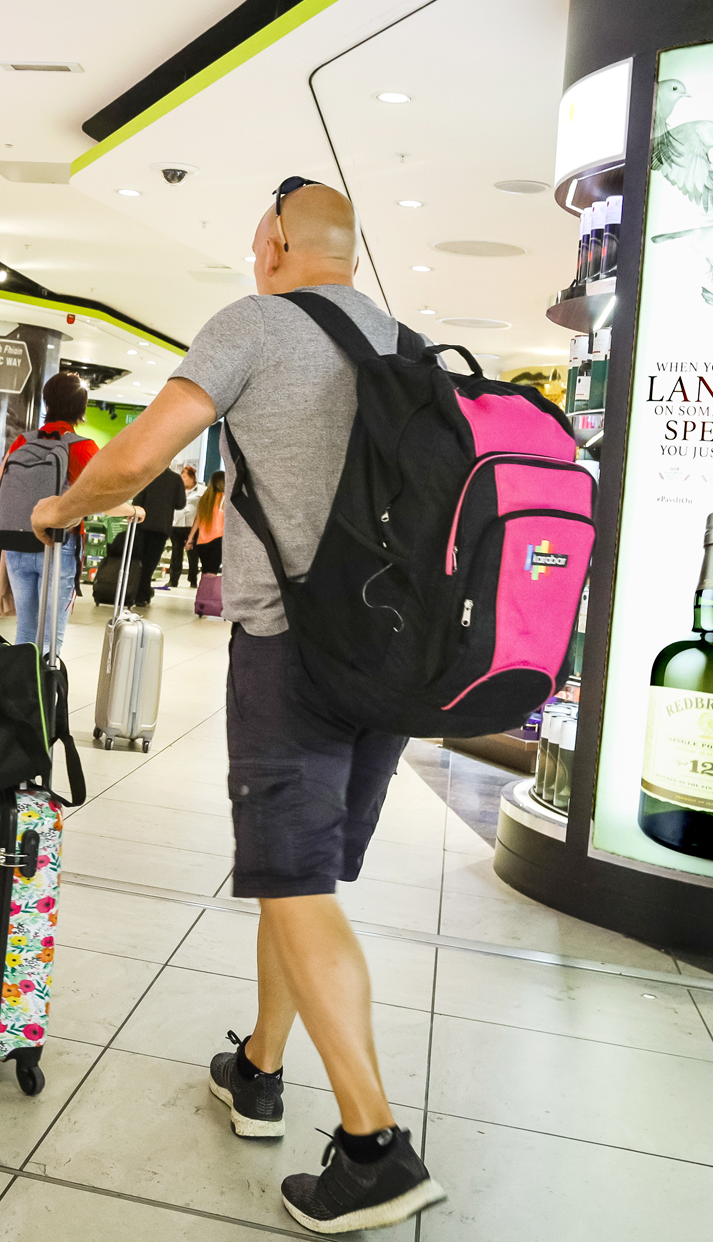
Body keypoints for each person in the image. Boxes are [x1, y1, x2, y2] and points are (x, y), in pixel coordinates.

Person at [30, 178, 445, 1234]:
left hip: (291, 648)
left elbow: (134, 454)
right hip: (396, 660)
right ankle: (257, 1068)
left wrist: (60, 506)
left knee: (297, 883)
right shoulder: (410, 347)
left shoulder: (253, 322)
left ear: (270, 242)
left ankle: (372, 1145)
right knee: (291, 870)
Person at [0, 373, 98, 648]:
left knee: (25, 629)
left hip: (17, 544)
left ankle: (23, 689)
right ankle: (44, 690)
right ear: (81, 409)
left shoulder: (23, 442)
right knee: (51, 634)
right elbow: (101, 497)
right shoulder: (83, 448)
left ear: (46, 405)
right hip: (59, 545)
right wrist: (132, 510)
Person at [127, 462, 187, 599]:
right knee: (151, 561)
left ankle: (136, 591)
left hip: (142, 525)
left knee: (138, 560)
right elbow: (180, 504)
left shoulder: (148, 476)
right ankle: (143, 593)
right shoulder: (176, 479)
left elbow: (137, 500)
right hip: (162, 526)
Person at [163, 464, 199, 589]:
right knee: (176, 552)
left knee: (193, 554)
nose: (182, 479)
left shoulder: (201, 490)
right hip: (177, 525)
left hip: (192, 526)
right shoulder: (177, 489)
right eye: (181, 476)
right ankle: (173, 579)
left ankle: (193, 579)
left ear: (192, 478)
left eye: (185, 477)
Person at [190, 469, 226, 578]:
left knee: (205, 570)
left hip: (202, 540)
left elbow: (197, 520)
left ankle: (202, 593)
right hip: (218, 539)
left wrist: (190, 538)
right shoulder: (225, 499)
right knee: (212, 571)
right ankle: (208, 593)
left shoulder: (205, 499)